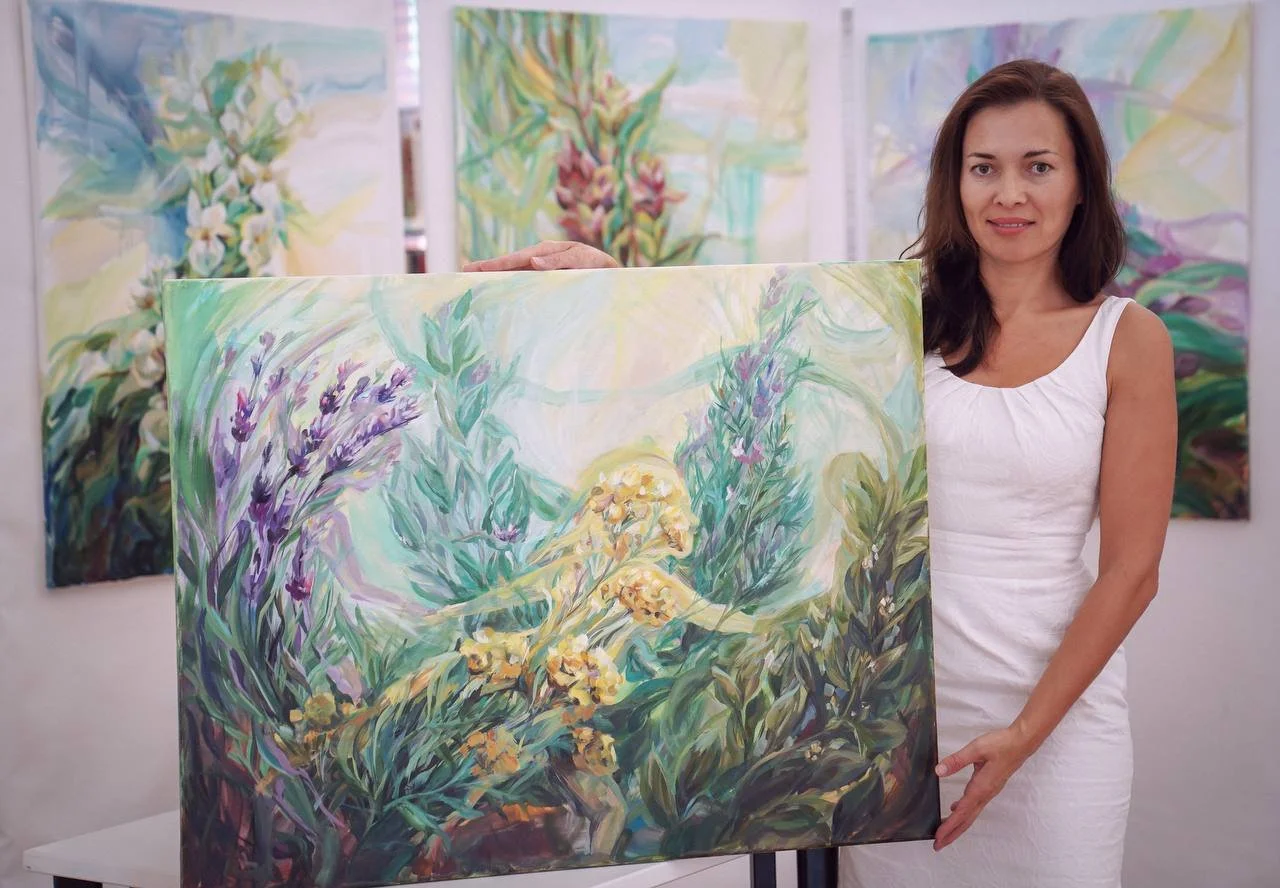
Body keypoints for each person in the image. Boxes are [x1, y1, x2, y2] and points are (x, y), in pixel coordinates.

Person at [463, 58, 1176, 888]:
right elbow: (742, 358)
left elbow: (1131, 572)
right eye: (984, 168)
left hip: (1054, 729)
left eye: (1038, 167)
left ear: (1082, 184)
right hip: (891, 724)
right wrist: (610, 283)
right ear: (957, 183)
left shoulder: (1126, 340)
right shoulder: (899, 314)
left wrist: (1022, 737)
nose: (1008, 193)